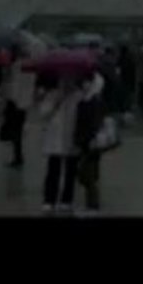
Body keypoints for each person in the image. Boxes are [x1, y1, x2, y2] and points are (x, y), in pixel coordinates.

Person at [39, 75, 83, 213]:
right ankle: (49, 199)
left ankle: (67, 199)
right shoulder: (53, 94)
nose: (67, 83)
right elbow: (43, 113)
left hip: (73, 137)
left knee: (71, 171)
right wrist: (55, 103)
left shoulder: (80, 96)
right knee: (53, 170)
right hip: (55, 139)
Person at [75, 70, 107, 214]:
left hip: (90, 141)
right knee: (89, 173)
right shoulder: (89, 98)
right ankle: (92, 203)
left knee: (87, 174)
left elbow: (92, 122)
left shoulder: (92, 100)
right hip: (87, 140)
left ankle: (93, 205)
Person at [2, 48, 36, 168]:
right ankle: (18, 156)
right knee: (19, 130)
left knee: (15, 131)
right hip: (25, 102)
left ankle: (17, 157)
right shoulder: (32, 66)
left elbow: (14, 85)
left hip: (16, 102)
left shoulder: (16, 66)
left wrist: (10, 98)